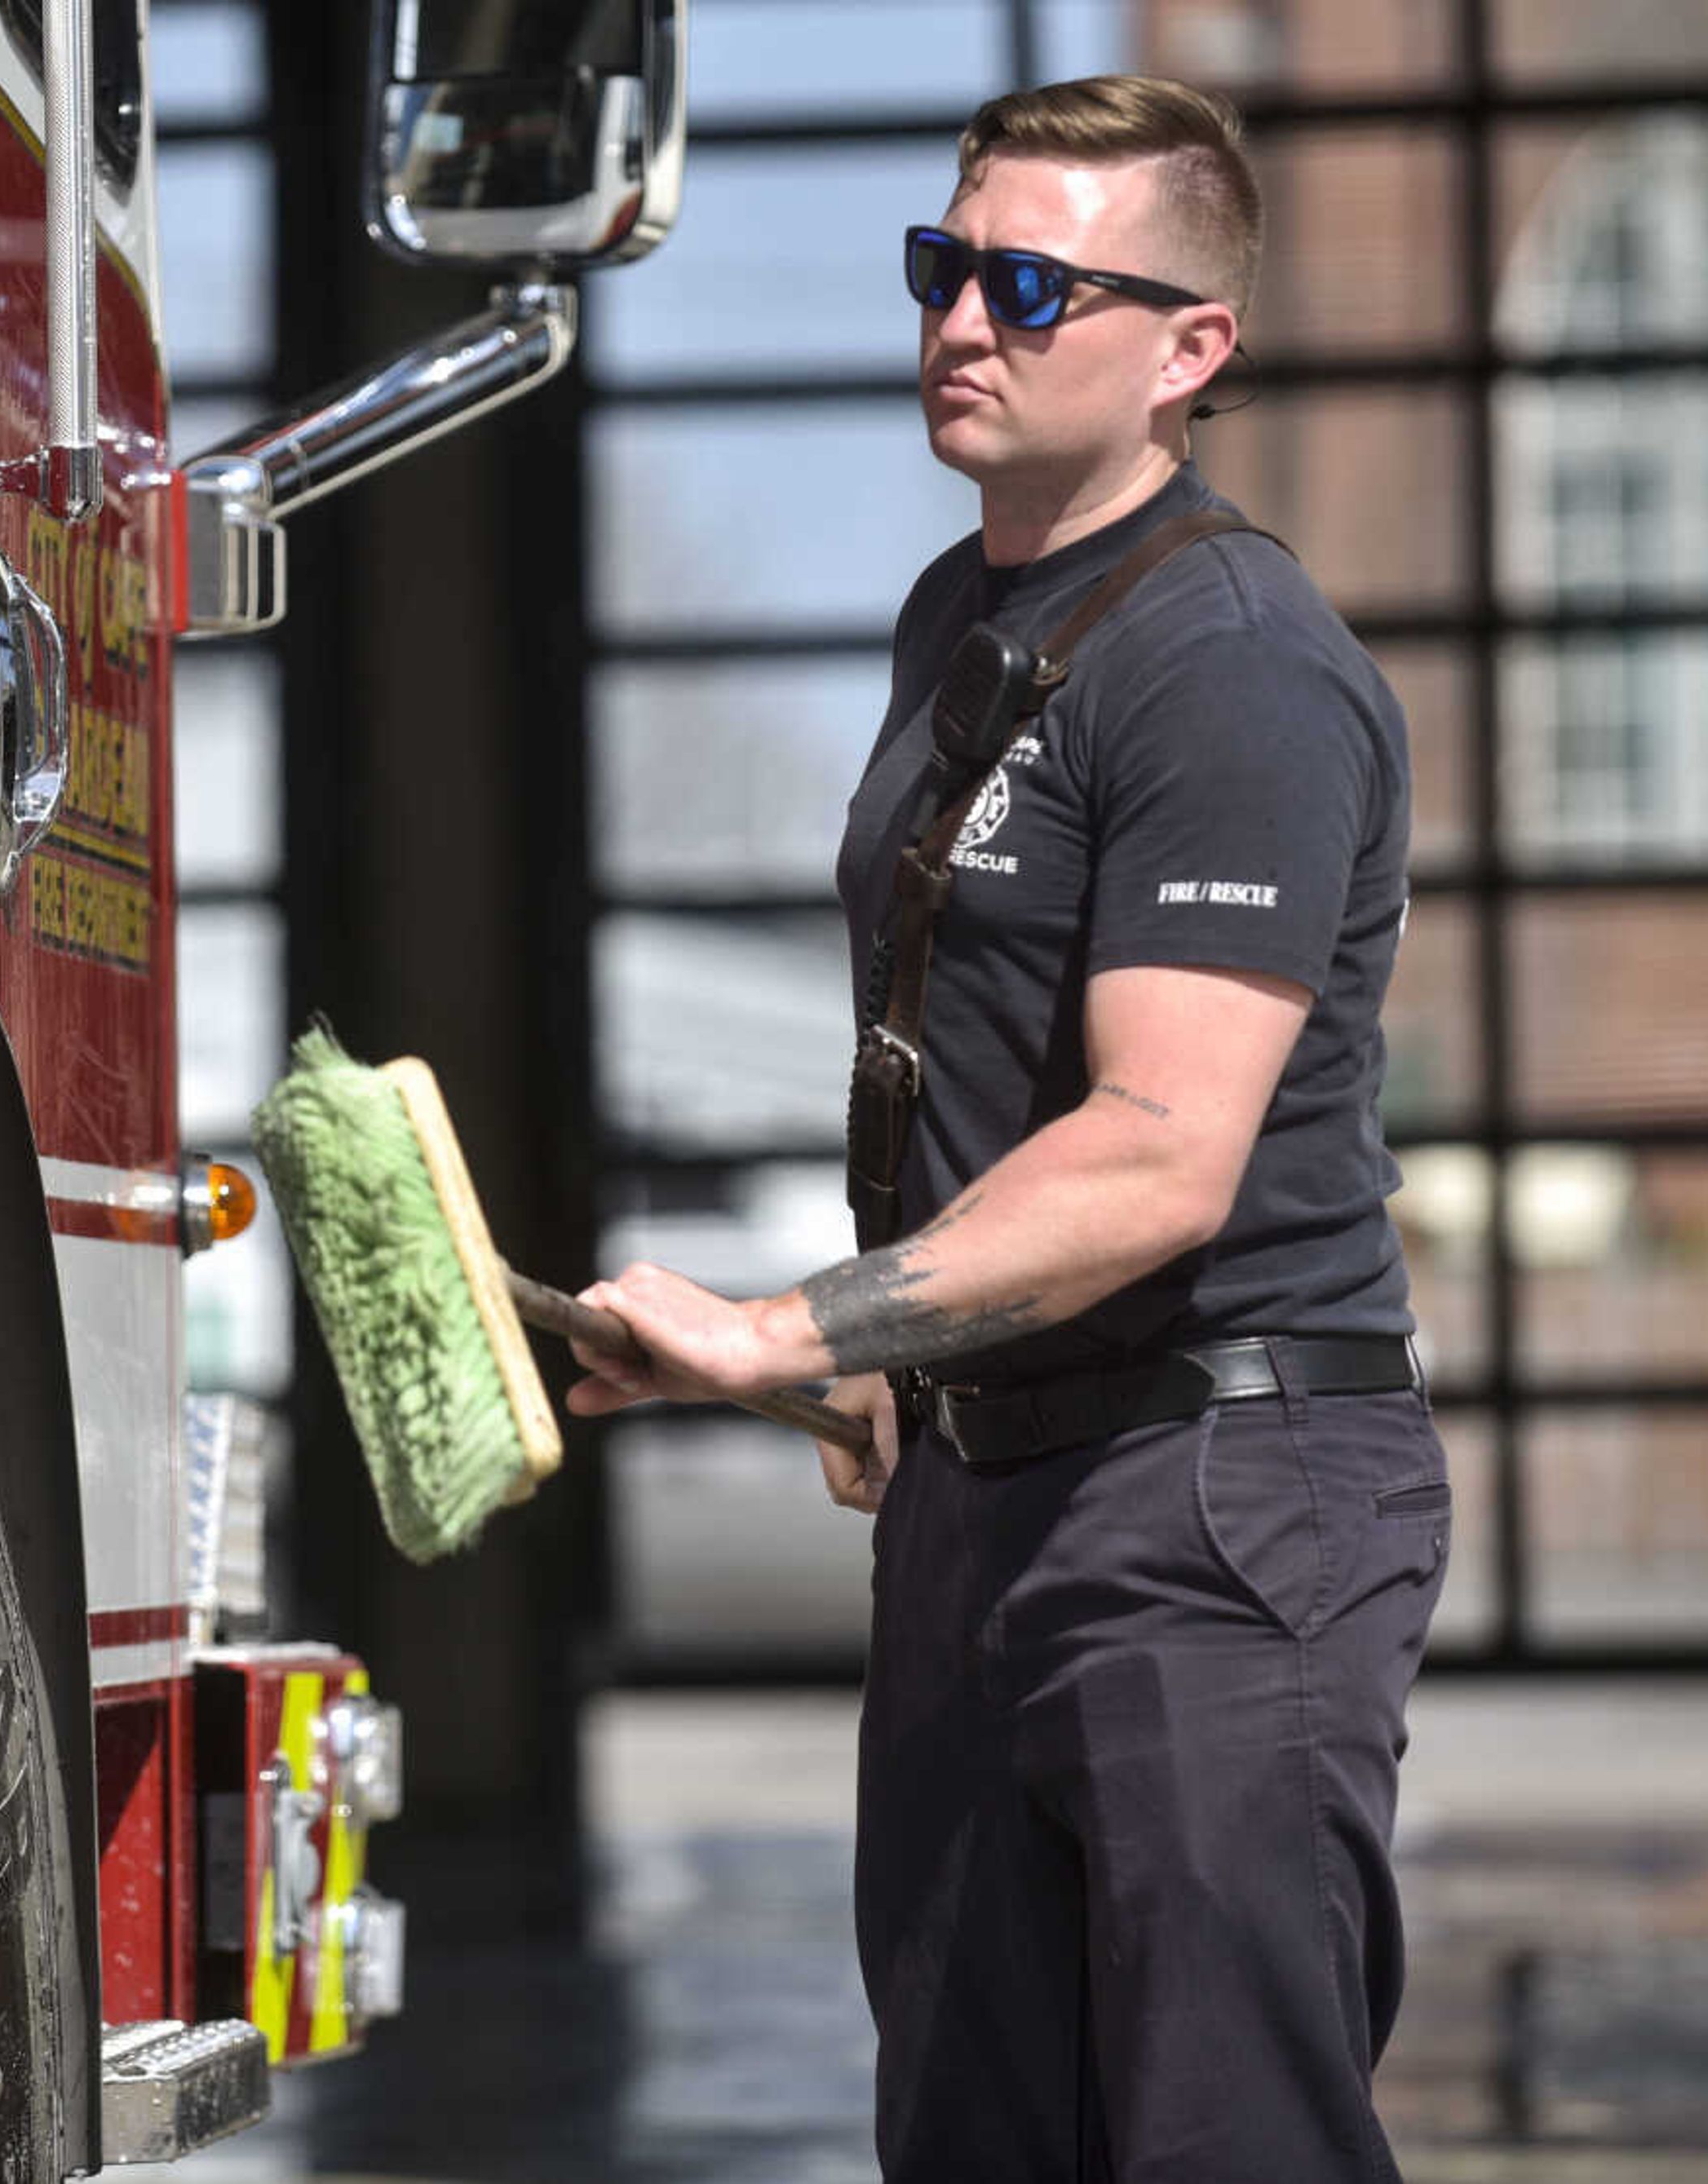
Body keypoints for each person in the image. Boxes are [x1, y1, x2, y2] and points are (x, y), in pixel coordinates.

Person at [566, 74, 1449, 2184]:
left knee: (1217, 2143)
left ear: (1190, 349)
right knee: (974, 2137)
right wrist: (901, 1368)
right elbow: (954, 1043)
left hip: (1214, 1506)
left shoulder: (1232, 666)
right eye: (943, 268)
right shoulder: (965, 617)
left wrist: (799, 1330)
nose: (963, 319)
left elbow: (1161, 1144)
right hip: (996, 1501)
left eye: (1032, 284)